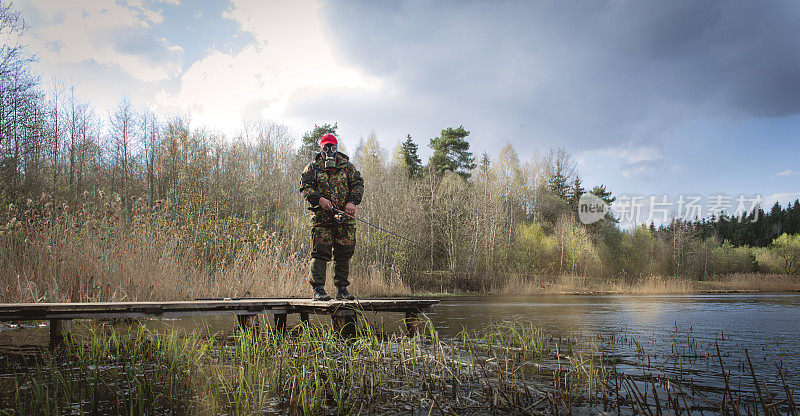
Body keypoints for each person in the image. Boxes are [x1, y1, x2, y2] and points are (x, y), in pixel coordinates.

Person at [299, 133, 364, 301]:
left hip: (344, 219)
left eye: (332, 147)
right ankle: (318, 289)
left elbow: (358, 184)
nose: (329, 150)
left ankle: (342, 289)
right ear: (321, 148)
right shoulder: (312, 167)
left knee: (344, 253)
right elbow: (305, 187)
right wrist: (319, 200)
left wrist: (352, 202)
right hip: (322, 219)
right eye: (326, 147)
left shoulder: (348, 167)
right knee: (320, 253)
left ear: (337, 148)